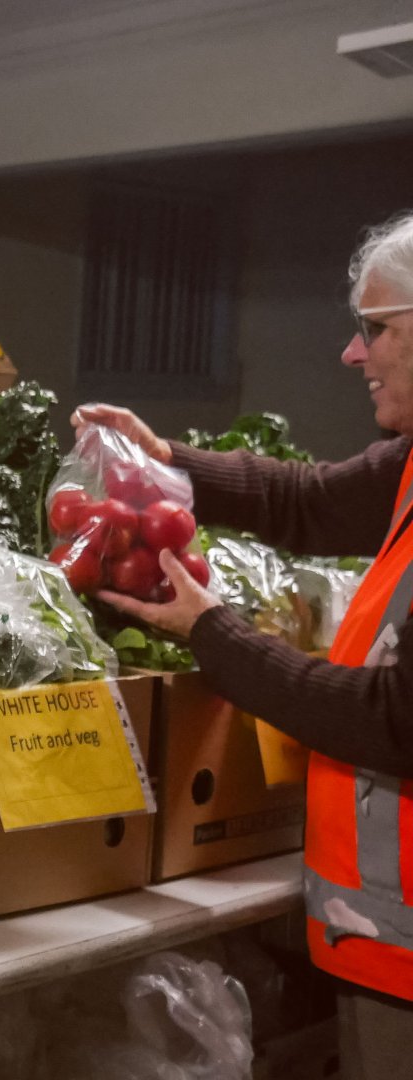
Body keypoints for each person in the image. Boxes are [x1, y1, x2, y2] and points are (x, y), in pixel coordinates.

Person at [82, 211, 413, 1080]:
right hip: (384, 931)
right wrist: (169, 466)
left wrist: (211, 634)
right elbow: (310, 500)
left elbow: (393, 721)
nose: (353, 353)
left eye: (375, 328)